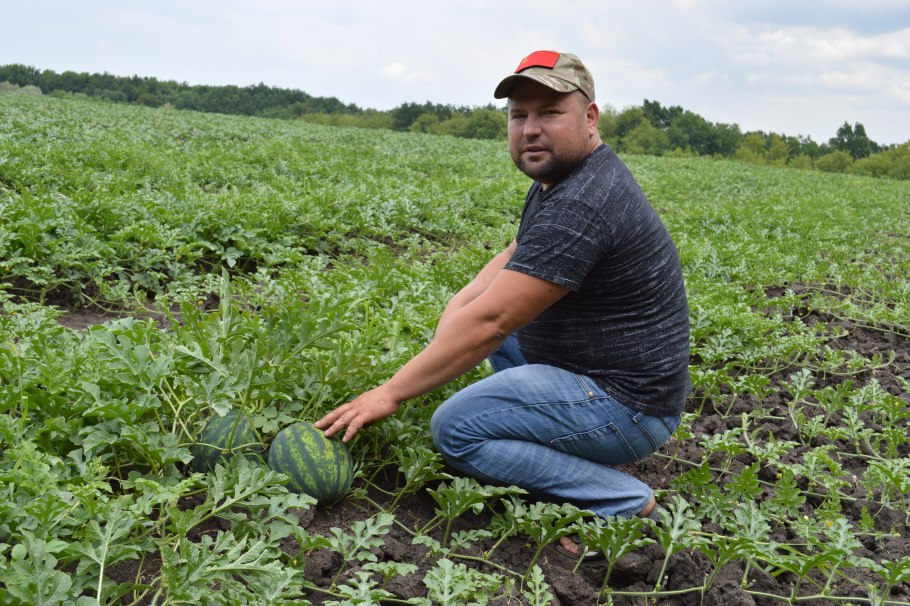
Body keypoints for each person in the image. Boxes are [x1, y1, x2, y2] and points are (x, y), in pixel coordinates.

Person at [315, 50, 691, 560]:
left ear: (590, 117)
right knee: (477, 327)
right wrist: (458, 308)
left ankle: (621, 500)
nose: (530, 129)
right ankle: (558, 444)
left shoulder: (585, 201)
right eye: (519, 115)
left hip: (629, 409)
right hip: (600, 374)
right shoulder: (562, 179)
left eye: (549, 112)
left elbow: (493, 323)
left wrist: (390, 393)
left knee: (457, 429)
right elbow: (516, 256)